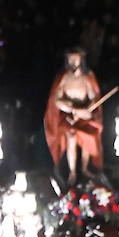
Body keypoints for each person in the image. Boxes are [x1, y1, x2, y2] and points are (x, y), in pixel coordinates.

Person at [44, 48, 104, 187]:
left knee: (88, 136)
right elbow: (57, 100)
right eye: (70, 58)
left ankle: (84, 167)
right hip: (68, 116)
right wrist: (72, 108)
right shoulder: (64, 78)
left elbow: (94, 98)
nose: (72, 62)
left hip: (84, 115)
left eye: (75, 58)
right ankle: (72, 172)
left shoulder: (87, 77)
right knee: (71, 137)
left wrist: (87, 110)